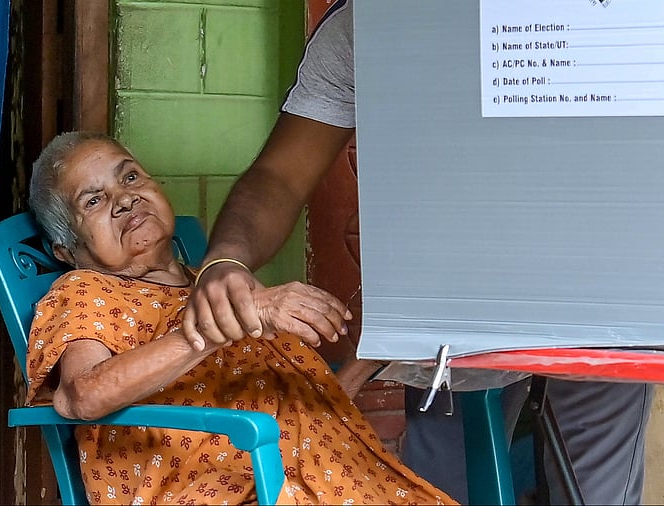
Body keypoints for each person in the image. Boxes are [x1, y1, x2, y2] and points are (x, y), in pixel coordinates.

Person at [183, 1, 654, 504]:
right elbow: (280, 175)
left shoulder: (603, 18)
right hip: (451, 300)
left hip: (604, 285)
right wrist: (227, 259)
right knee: (446, 488)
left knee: (594, 488)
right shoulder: (362, 28)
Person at [24, 131, 457, 506]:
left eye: (131, 177)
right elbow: (82, 395)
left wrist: (369, 357)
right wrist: (217, 326)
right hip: (210, 488)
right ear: (65, 248)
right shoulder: (85, 291)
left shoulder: (207, 281)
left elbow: (295, 419)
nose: (125, 199)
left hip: (307, 473)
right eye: (94, 200)